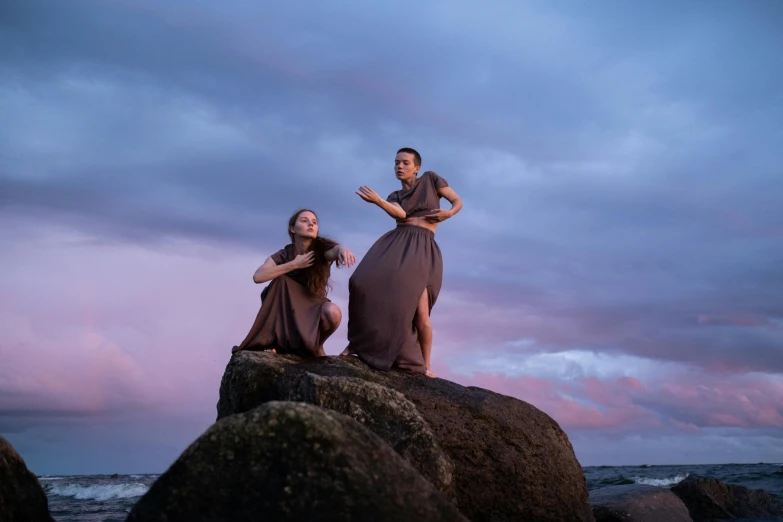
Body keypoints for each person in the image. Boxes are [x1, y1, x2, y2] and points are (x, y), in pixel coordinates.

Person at [341, 147, 463, 378]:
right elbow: (400, 215)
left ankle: (426, 364)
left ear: (417, 167)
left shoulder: (431, 179)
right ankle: (358, 342)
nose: (399, 166)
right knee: (360, 282)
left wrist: (449, 213)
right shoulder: (395, 196)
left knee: (420, 310)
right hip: (396, 242)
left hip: (422, 247)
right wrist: (378, 201)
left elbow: (457, 201)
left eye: (405, 163)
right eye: (396, 162)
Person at [232, 209, 356, 357]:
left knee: (333, 312)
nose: (311, 224)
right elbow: (258, 276)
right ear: (292, 229)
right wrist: (294, 264)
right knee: (280, 280)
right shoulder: (284, 253)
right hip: (286, 306)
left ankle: (317, 345)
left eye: (314, 222)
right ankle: (273, 343)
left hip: (312, 306)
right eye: (304, 220)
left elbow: (333, 251)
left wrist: (342, 249)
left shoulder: (321, 250)